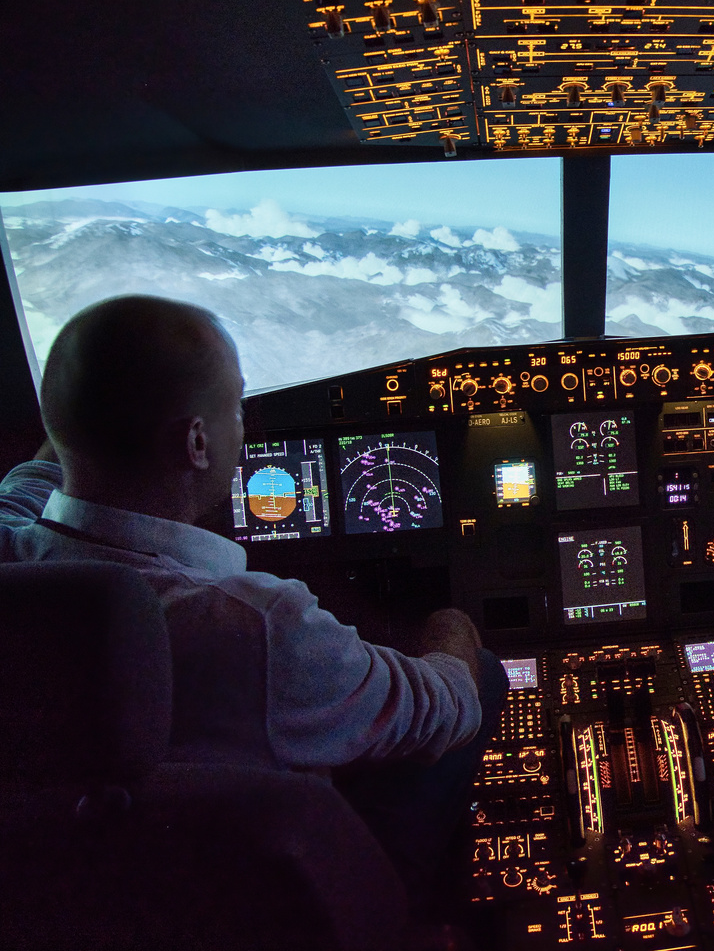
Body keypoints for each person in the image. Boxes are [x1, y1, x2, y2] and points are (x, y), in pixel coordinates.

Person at [0, 294, 507, 910]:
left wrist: (92, 412)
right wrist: (451, 627)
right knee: (478, 674)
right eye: (235, 405)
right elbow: (445, 708)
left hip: (77, 896)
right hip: (270, 898)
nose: (243, 422)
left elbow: (26, 485)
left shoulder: (9, 549)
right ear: (196, 442)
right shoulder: (259, 626)